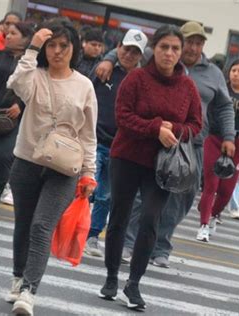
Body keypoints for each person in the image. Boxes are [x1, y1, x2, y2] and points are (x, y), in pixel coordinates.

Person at [99, 21, 236, 268]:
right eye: (189, 42)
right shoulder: (155, 57)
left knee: (182, 197)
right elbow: (130, 49)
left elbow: (225, 106)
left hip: (189, 145)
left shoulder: (213, 73)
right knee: (143, 199)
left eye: (198, 42)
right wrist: (109, 59)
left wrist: (228, 136)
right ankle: (130, 244)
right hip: (146, 144)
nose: (192, 47)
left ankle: (160, 246)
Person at [99, 25, 202, 310]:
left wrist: (175, 130)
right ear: (153, 49)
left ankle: (133, 284)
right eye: (164, 47)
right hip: (127, 157)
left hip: (164, 166)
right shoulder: (136, 78)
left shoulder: (188, 86)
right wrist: (156, 127)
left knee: (149, 220)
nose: (169, 53)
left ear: (181, 53)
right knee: (118, 217)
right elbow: (123, 117)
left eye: (175, 49)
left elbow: (196, 125)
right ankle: (110, 277)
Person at [5, 19, 97, 315]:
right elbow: (15, 83)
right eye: (51, 45)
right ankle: (18, 278)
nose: (57, 51)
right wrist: (32, 48)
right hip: (27, 161)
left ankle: (29, 291)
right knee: (23, 226)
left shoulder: (84, 85)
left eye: (64, 45)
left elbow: (89, 134)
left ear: (74, 48)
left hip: (64, 168)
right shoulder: (35, 75)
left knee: (41, 226)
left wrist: (89, 173)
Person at [83, 29, 146, 258]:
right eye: (126, 49)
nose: (129, 55)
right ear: (118, 46)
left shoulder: (141, 80)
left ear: (141, 56)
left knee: (105, 196)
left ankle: (92, 235)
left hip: (119, 147)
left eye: (135, 52)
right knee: (82, 187)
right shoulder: (103, 68)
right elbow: (85, 95)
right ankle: (71, 229)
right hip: (92, 140)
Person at [197, 59, 239, 240]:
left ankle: (213, 213)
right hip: (215, 138)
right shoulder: (221, 89)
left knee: (226, 190)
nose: (236, 74)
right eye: (234, 70)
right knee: (211, 184)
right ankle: (203, 224)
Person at [0, 22, 34, 216]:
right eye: (6, 33)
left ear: (26, 38)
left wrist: (21, 104)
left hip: (13, 120)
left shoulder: (31, 62)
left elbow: (33, 89)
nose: (7, 36)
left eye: (13, 33)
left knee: (2, 157)